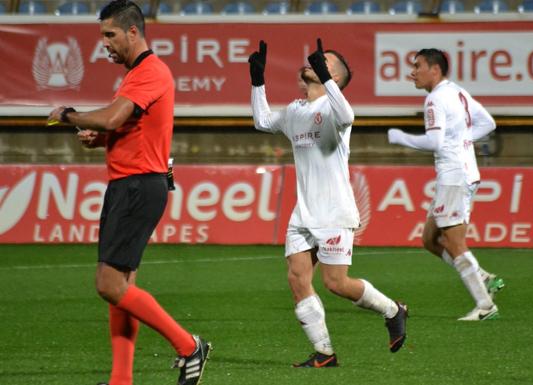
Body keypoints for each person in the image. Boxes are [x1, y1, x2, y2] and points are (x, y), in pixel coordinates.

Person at [47, 1, 210, 384]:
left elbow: (113, 116)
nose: (105, 44)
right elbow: (126, 125)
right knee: (121, 285)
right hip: (130, 183)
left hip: (138, 186)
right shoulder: (139, 73)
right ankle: (121, 379)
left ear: (132, 32)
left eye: (110, 35)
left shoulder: (149, 71)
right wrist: (100, 137)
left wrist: (67, 114)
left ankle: (189, 346)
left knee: (109, 283)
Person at [248, 39, 409, 367]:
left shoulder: (334, 111)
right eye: (316, 62)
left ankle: (393, 310)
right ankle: (324, 352)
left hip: (334, 211)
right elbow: (262, 121)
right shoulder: (296, 111)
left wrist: (327, 78)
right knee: (297, 278)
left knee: (336, 284)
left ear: (333, 76)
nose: (314, 64)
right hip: (303, 213)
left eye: (324, 63)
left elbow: (347, 113)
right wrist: (257, 81)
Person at [387, 48, 505, 321]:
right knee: (430, 239)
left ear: (435, 69)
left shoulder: (434, 99)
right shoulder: (457, 92)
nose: (412, 72)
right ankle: (482, 277)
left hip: (454, 176)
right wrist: (462, 140)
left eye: (417, 66)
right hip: (462, 173)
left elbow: (435, 142)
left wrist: (399, 137)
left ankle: (485, 305)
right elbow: (488, 123)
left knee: (453, 241)